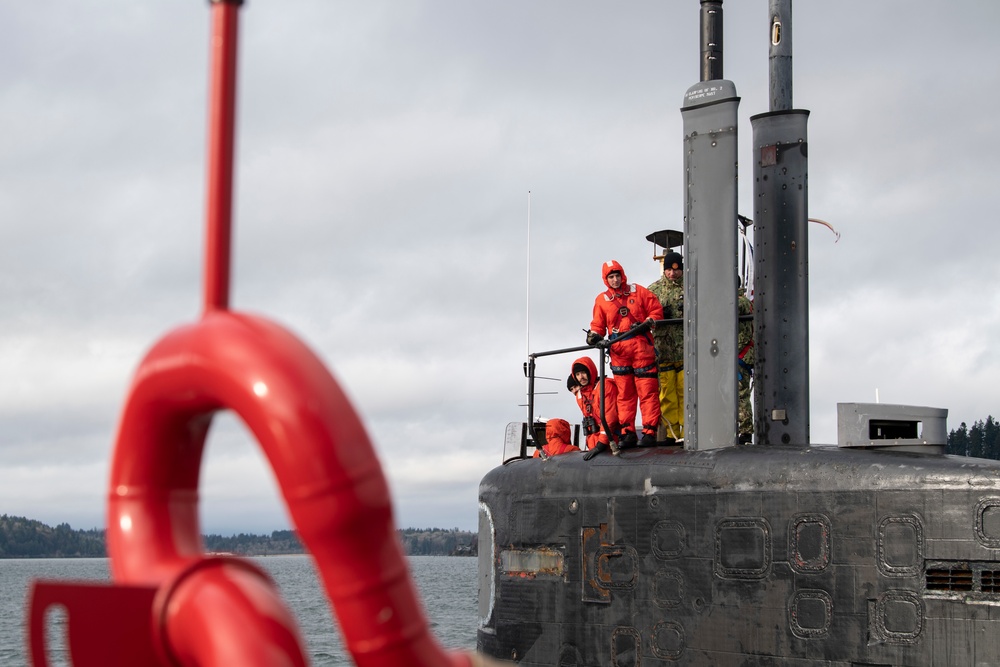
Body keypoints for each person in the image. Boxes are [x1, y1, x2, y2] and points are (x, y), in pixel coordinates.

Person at [586, 260, 663, 448]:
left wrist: (648, 321)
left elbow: (656, 309)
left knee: (647, 391)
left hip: (641, 347)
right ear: (606, 279)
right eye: (611, 277)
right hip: (619, 352)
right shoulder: (602, 300)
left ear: (622, 275)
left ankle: (649, 431)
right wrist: (594, 337)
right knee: (625, 394)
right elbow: (597, 325)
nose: (615, 280)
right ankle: (628, 432)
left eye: (617, 275)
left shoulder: (638, 292)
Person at [647, 251, 685, 443]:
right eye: (669, 269)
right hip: (664, 350)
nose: (672, 274)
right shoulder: (653, 290)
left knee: (685, 391)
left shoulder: (691, 287)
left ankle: (688, 431)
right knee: (667, 393)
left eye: (676, 270)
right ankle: (671, 434)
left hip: (686, 351)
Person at [568, 356, 620, 459]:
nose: (581, 377)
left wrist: (601, 444)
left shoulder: (605, 386)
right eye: (577, 374)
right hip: (595, 445)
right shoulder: (581, 396)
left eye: (583, 372)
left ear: (590, 371)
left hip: (612, 441)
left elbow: (609, 418)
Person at [737, 287, 754, 443]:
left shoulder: (742, 301)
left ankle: (746, 431)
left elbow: (734, 306)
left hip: (740, 356)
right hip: (732, 356)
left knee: (741, 394)